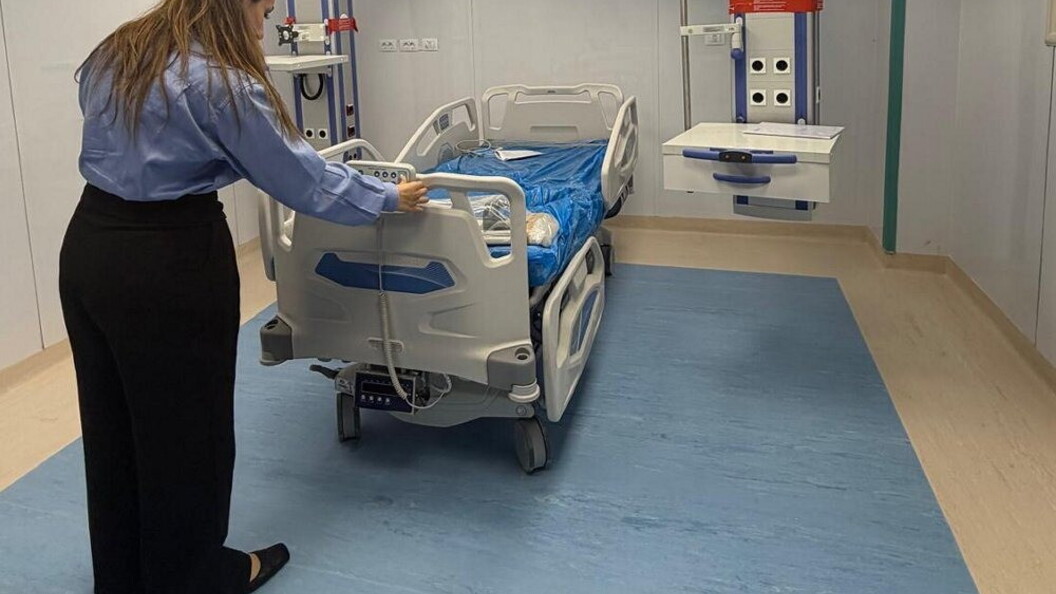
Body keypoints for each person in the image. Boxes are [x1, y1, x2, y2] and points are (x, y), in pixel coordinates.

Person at [59, 0, 427, 592]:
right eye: (262, 7)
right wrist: (387, 198)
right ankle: (196, 575)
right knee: (189, 431)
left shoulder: (119, 49)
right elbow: (303, 179)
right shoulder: (223, 85)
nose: (266, 19)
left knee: (113, 425)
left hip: (89, 249)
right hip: (167, 261)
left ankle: (123, 576)